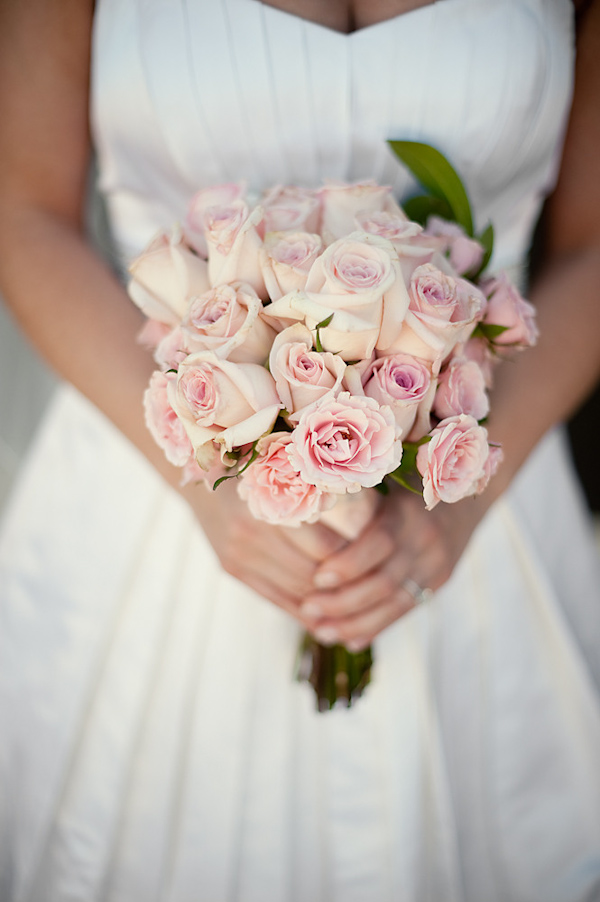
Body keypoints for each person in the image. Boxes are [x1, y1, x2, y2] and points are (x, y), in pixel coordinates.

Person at [0, 1, 599, 899]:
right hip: (149, 474)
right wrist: (206, 483)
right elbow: (22, 211)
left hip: (484, 475)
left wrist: (464, 499)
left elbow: (594, 245)